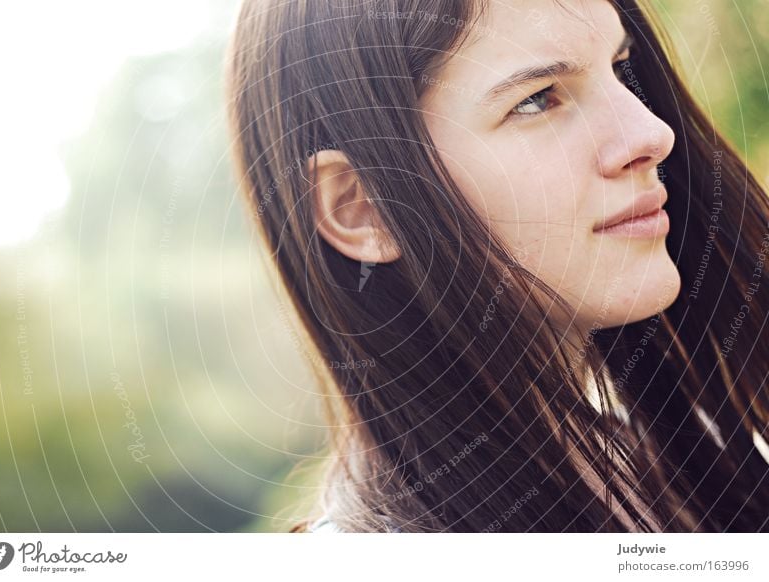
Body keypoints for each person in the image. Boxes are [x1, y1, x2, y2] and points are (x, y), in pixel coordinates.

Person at [226, 0, 769, 532]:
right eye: (537, 100)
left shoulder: (687, 463)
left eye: (621, 68)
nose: (652, 134)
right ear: (364, 209)